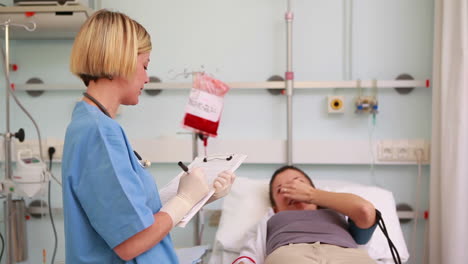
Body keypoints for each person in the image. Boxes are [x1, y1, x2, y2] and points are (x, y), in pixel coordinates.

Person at [62, 10, 235, 263]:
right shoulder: (99, 132)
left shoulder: (94, 125)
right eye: (145, 66)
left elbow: (133, 216)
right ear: (119, 59)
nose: (146, 77)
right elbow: (131, 241)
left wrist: (199, 195)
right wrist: (184, 200)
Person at [234, 165, 377, 264]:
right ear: (275, 208)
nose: (292, 190)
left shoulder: (338, 211)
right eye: (281, 190)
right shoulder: (269, 219)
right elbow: (249, 254)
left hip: (347, 254)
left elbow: (365, 210)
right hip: (290, 254)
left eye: (298, 183)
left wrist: (312, 195)